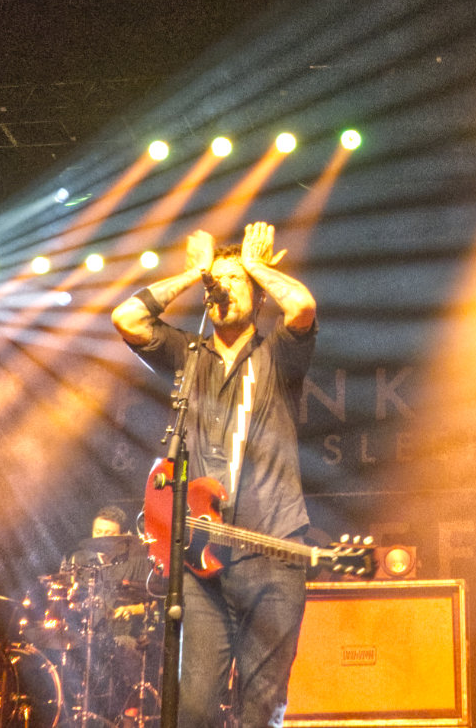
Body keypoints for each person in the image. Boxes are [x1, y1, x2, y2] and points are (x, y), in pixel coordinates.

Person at [111, 222, 317, 728]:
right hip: (202, 564)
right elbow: (128, 317)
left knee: (260, 706)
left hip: (272, 555)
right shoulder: (189, 354)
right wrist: (193, 273)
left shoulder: (278, 354)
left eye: (235, 281)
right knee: (193, 709)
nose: (223, 287)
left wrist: (256, 267)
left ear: (257, 293)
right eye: (216, 284)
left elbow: (303, 309)